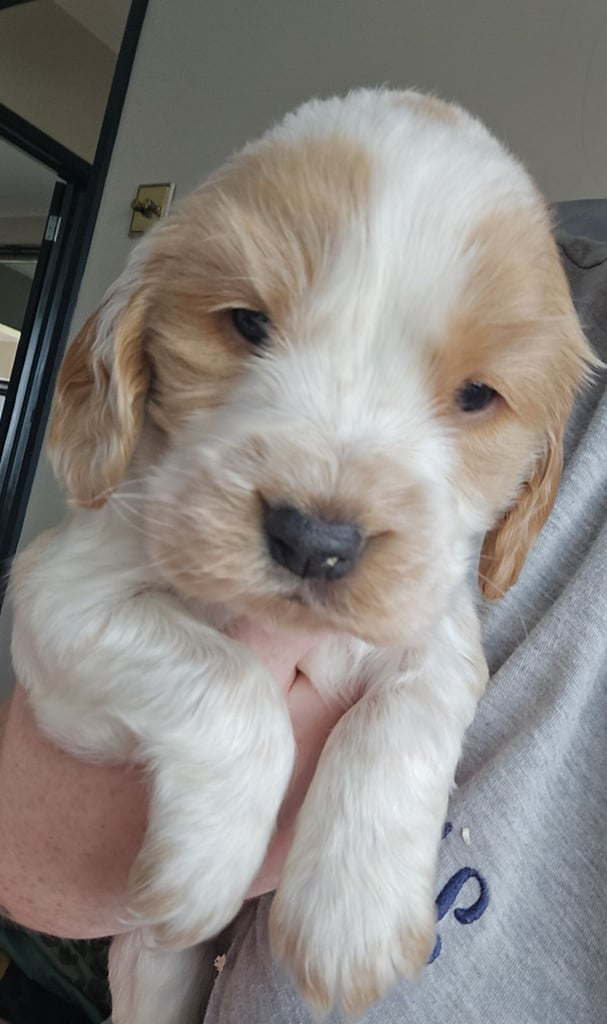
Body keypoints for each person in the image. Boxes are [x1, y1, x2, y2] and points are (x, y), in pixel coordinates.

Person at [1, 226, 606, 1023]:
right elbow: (33, 851)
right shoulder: (523, 270)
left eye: (467, 398)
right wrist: (230, 729)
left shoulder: (527, 356)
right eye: (254, 329)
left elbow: (439, 668)